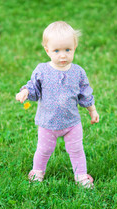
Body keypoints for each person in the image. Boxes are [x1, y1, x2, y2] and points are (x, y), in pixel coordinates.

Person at [16, 21, 99, 188]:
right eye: (57, 51)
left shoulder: (78, 72)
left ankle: (81, 175)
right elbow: (34, 87)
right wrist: (25, 91)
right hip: (48, 123)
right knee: (44, 150)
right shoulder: (42, 70)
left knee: (76, 150)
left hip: (72, 123)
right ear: (47, 50)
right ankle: (38, 171)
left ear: (75, 47)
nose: (63, 55)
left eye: (68, 50)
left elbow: (85, 93)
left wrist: (92, 110)